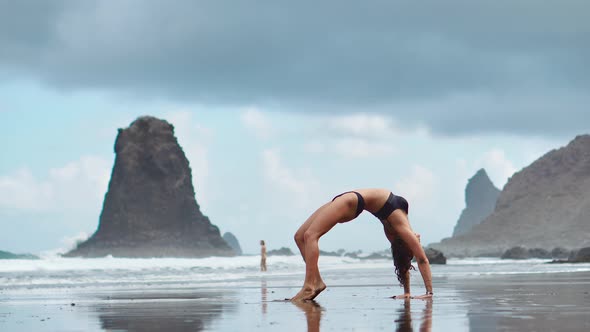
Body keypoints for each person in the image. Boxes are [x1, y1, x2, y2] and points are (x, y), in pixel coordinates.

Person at [291, 188, 433, 302]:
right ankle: (317, 281)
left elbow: (421, 259)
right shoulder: (397, 231)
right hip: (346, 197)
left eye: (416, 242)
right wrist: (407, 292)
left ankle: (310, 285)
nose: (418, 238)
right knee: (299, 237)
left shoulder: (400, 231)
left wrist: (429, 292)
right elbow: (402, 260)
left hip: (352, 201)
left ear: (407, 244)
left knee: (310, 236)